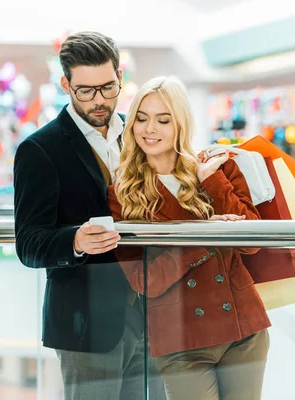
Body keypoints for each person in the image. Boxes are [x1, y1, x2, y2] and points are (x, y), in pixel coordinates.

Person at [14, 31, 161, 399]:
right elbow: (29, 243)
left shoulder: (143, 134)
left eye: (108, 88)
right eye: (86, 91)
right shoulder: (39, 150)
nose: (99, 101)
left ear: (120, 78)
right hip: (87, 326)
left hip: (153, 316)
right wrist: (75, 241)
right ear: (66, 84)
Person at [108, 76, 271, 400]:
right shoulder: (122, 194)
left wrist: (211, 181)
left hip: (243, 329)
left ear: (180, 123)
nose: (149, 129)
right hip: (180, 340)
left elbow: (253, 239)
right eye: (141, 118)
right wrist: (205, 236)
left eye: (162, 120)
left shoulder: (214, 168)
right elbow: (145, 280)